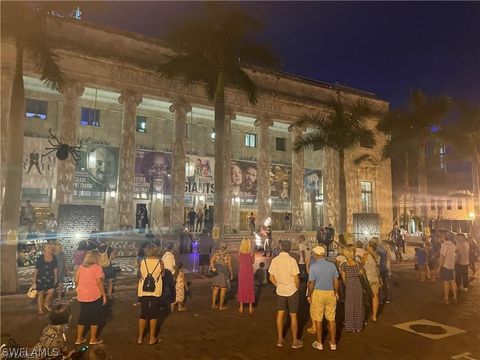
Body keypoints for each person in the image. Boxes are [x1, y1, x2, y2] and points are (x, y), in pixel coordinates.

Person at [268, 240, 303, 349]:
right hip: (291, 289)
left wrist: (277, 285)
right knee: (293, 315)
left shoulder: (275, 260)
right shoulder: (292, 260)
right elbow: (296, 278)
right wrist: (297, 288)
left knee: (280, 314)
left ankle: (280, 338)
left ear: (281, 247)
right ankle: (294, 340)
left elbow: (271, 277)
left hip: (280, 290)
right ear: (290, 248)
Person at [307, 244, 339, 351]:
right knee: (332, 319)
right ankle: (333, 343)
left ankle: (320, 343)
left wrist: (309, 294)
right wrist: (337, 292)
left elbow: (311, 282)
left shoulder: (314, 266)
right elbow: (336, 280)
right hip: (330, 292)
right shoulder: (332, 265)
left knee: (318, 319)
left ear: (316, 255)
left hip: (318, 293)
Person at [75, 250, 107, 345]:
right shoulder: (97, 268)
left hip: (82, 295)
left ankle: (79, 338)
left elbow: (76, 280)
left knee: (83, 316)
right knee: (95, 316)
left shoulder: (81, 267)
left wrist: (79, 288)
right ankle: (93, 339)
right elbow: (99, 283)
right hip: (94, 295)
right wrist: (104, 295)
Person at [137, 243, 163, 344]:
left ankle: (140, 337)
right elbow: (163, 273)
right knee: (153, 314)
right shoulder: (160, 262)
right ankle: (152, 338)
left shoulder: (142, 262)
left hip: (143, 291)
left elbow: (140, 274)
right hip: (155, 291)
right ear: (156, 251)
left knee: (143, 314)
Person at [339, 246, 364, 332]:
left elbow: (343, 278)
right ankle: (358, 326)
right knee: (358, 305)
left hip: (349, 284)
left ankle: (351, 327)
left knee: (349, 306)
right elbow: (361, 274)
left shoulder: (343, 265)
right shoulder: (357, 263)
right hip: (358, 284)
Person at [32, 243, 58, 315]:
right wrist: (34, 278)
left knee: (51, 292)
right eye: (48, 247)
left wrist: (56, 277)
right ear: (45, 249)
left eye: (50, 247)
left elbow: (55, 268)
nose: (50, 249)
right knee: (41, 293)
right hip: (41, 278)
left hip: (50, 277)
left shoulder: (54, 257)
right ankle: (40, 309)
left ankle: (46, 304)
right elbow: (36, 269)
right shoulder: (40, 258)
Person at [209, 242, 233, 310]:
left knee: (216, 288)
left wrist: (213, 268)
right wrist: (231, 274)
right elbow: (229, 265)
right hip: (224, 272)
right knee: (223, 289)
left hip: (217, 271)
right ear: (226, 246)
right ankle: (221, 306)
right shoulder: (228, 254)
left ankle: (213, 304)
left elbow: (211, 260)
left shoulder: (217, 252)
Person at [237, 237, 255, 314]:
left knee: (241, 288)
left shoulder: (239, 253)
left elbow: (240, 261)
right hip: (249, 272)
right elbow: (253, 262)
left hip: (242, 272)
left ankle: (241, 307)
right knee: (250, 288)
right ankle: (250, 307)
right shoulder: (251, 253)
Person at [364, 241, 381, 322]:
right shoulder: (377, 256)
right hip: (375, 278)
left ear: (370, 247)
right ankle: (374, 315)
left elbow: (362, 265)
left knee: (365, 297)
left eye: (367, 246)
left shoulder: (366, 255)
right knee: (375, 296)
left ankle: (365, 314)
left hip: (368, 279)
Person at [438, 235, 457, 304]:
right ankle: (455, 297)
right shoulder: (453, 244)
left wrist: (439, 267)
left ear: (442, 238)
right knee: (452, 282)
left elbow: (443, 257)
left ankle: (446, 299)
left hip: (445, 266)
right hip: (452, 266)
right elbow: (455, 255)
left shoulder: (444, 245)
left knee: (446, 283)